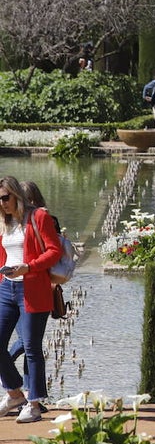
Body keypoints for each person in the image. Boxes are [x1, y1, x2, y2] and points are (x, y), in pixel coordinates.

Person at [0, 176, 63, 424]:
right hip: (7, 289)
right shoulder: (4, 222)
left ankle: (34, 403)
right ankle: (15, 394)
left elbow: (54, 251)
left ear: (16, 195)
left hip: (33, 288)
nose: (2, 203)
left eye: (5, 198)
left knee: (31, 348)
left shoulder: (38, 217)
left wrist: (29, 267)